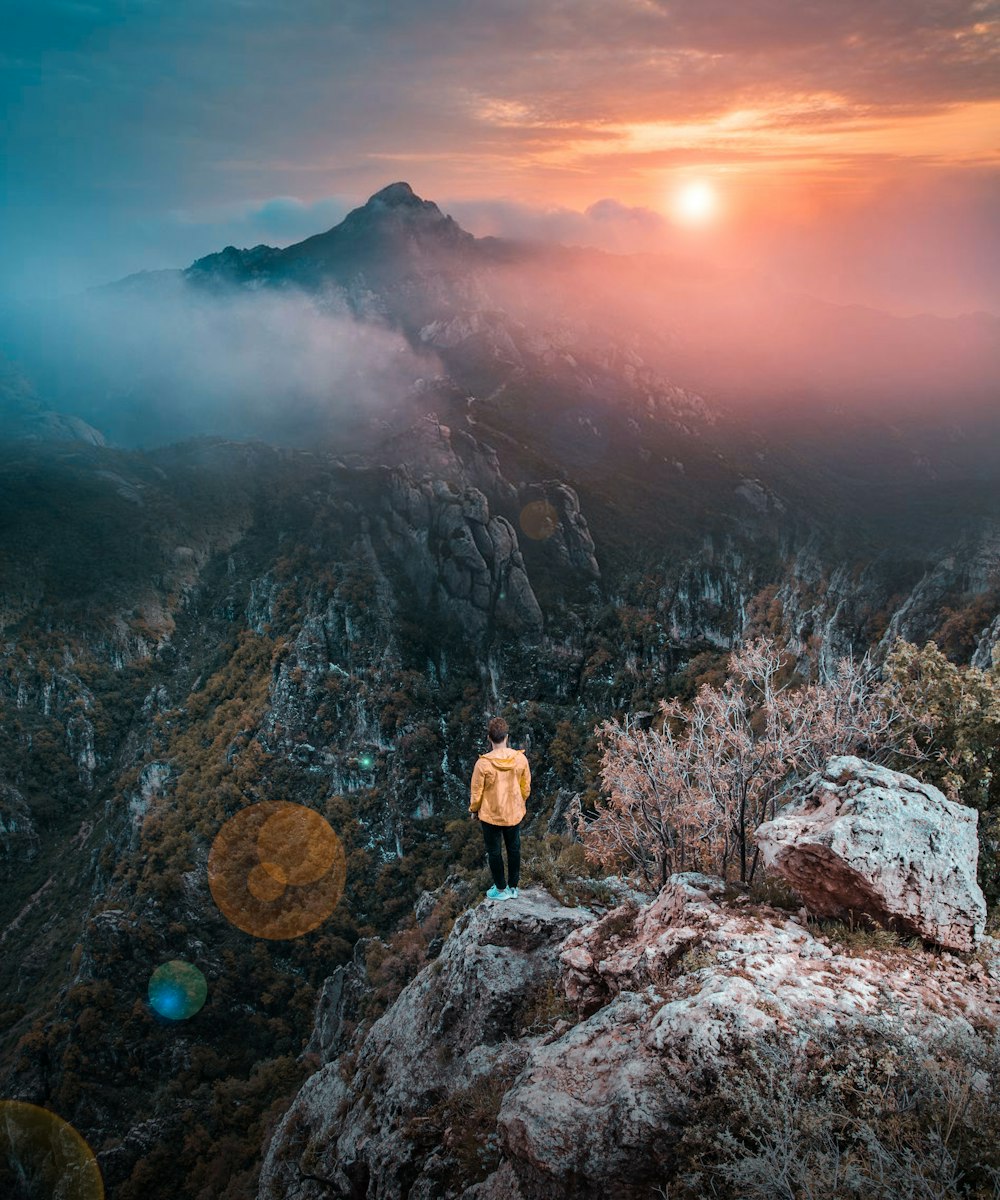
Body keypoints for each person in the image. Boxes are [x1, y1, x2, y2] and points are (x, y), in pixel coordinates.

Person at [469, 716, 530, 900]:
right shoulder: (520, 759)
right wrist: (520, 802)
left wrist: (474, 810)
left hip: (490, 815)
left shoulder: (483, 764)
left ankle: (501, 889)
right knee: (514, 849)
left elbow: (476, 793)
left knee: (494, 851)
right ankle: (513, 887)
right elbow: (525, 787)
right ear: (506, 737)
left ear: (489, 738)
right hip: (513, 813)